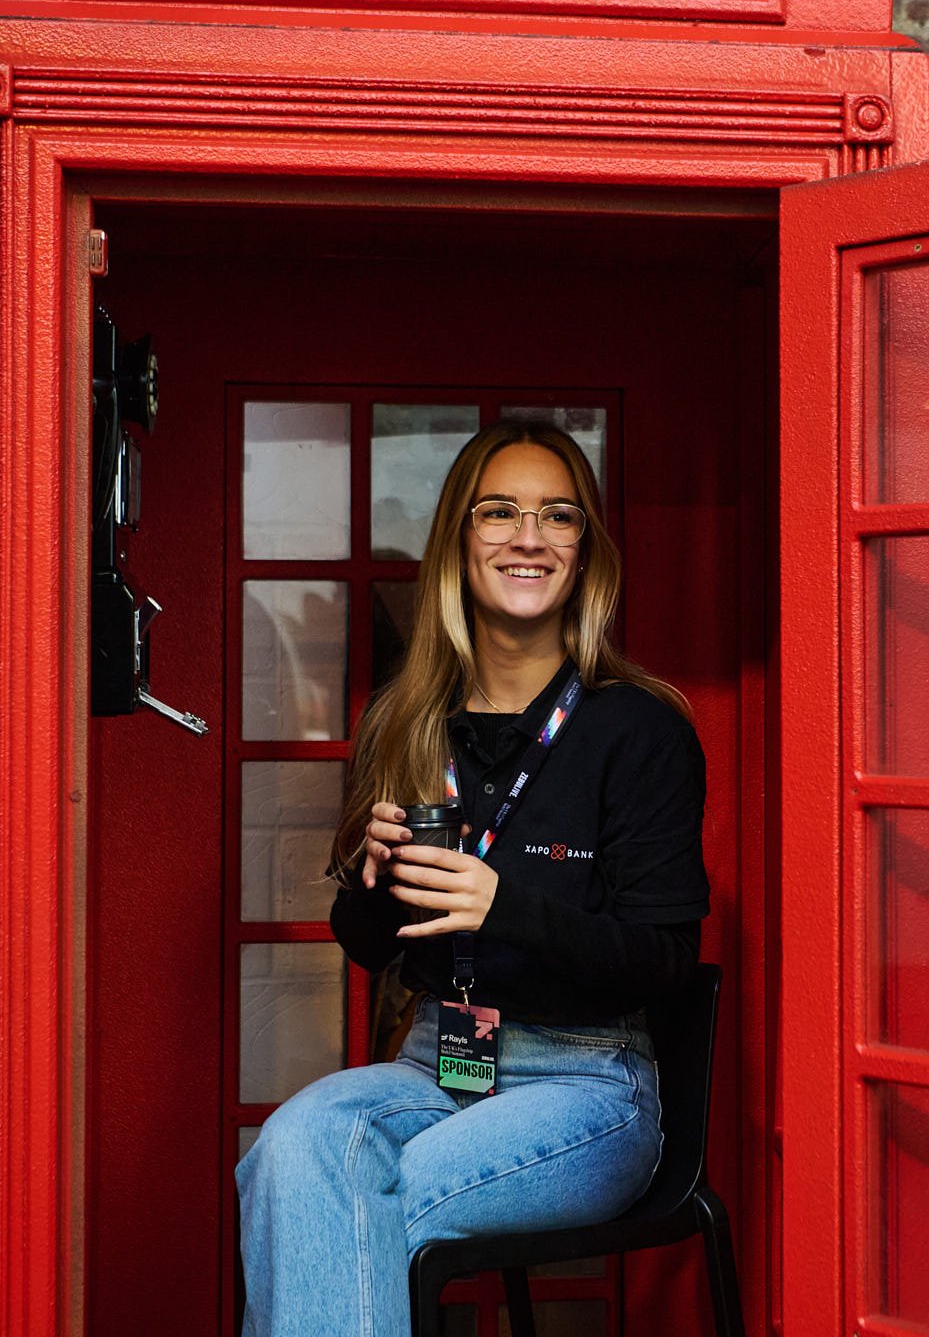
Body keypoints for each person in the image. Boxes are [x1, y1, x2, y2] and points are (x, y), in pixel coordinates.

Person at [236, 420, 709, 1336]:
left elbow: (665, 962)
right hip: (438, 1065)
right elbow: (375, 946)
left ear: (586, 551)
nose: (527, 536)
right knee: (288, 1152)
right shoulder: (408, 720)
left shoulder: (640, 731)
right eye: (500, 511)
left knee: (346, 1209)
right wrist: (373, 887)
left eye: (557, 515)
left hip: (587, 1083)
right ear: (459, 537)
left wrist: (506, 905)